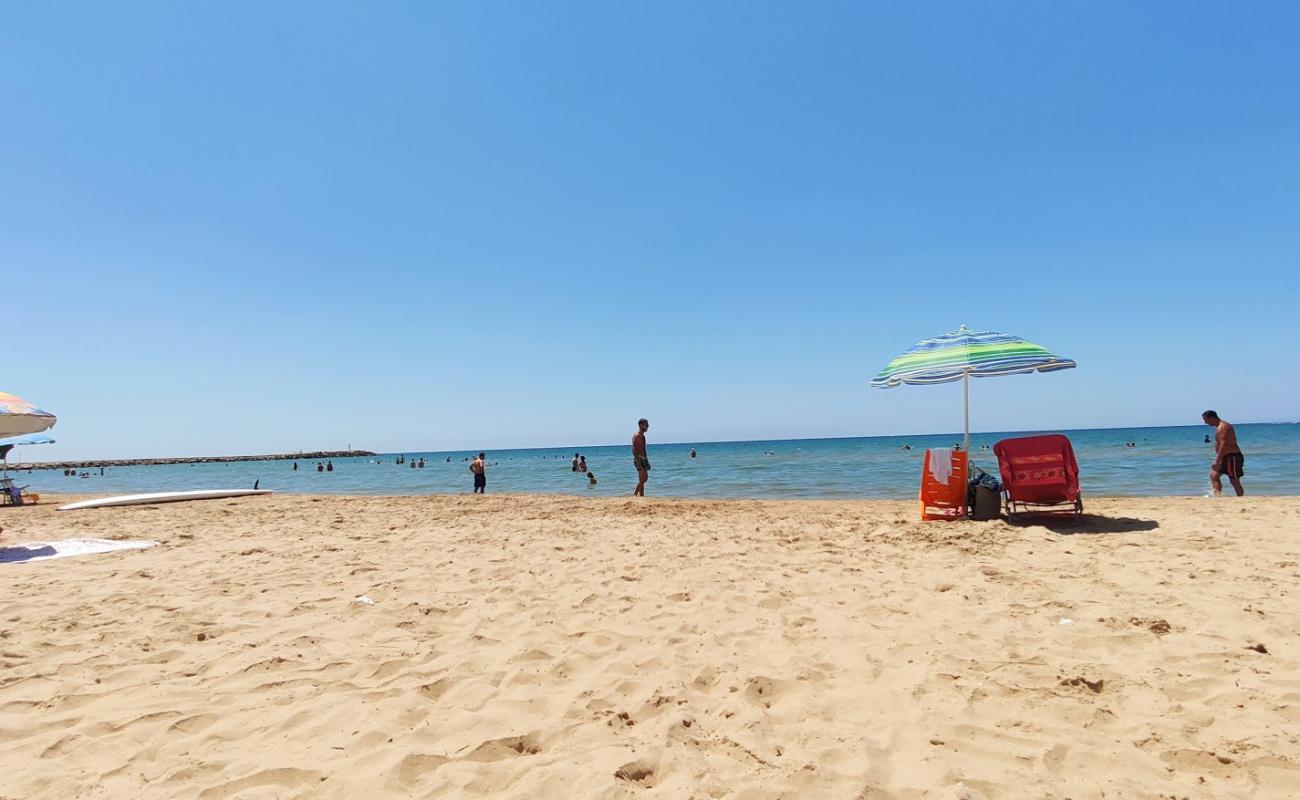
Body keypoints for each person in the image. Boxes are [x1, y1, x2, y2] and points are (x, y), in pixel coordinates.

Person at [1203, 410, 1245, 496]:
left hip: (1232, 457)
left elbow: (1224, 444)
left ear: (1212, 418)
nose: (1205, 423)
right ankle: (1218, 497)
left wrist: (1218, 460)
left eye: (1206, 420)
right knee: (1214, 476)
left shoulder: (1224, 427)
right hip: (1225, 456)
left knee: (1234, 480)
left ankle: (1240, 499)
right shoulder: (1219, 427)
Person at [632, 418, 650, 496]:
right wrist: (638, 461)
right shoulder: (637, 436)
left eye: (648, 425)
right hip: (639, 459)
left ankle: (641, 496)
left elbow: (644, 449)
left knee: (642, 480)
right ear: (641, 425)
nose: (647, 426)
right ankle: (634, 494)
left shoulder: (643, 436)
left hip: (644, 459)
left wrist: (647, 460)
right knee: (644, 479)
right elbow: (633, 449)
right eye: (646, 425)